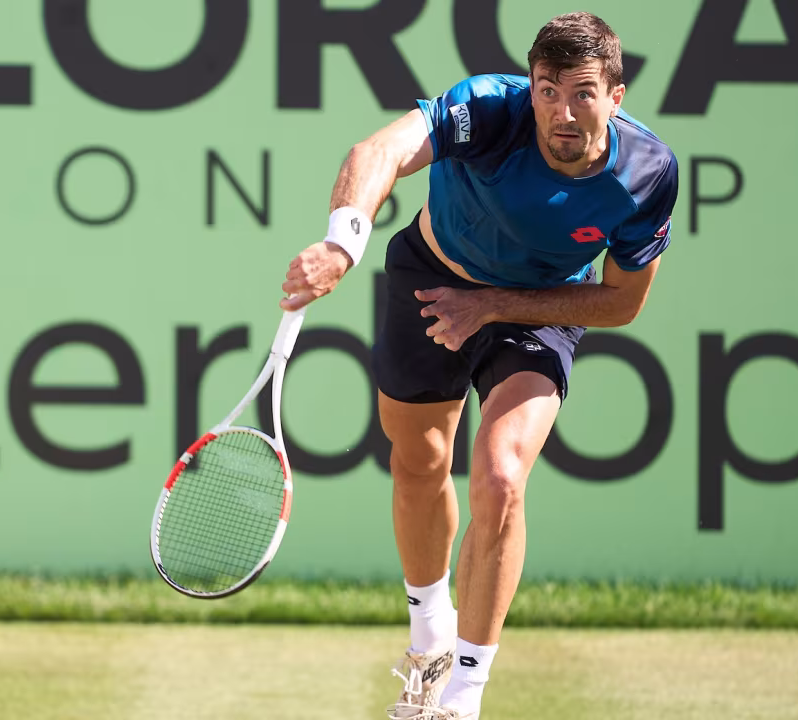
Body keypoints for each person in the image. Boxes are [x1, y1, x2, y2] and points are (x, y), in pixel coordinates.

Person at [279, 11, 679, 720]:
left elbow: (621, 303)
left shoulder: (647, 172)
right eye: (548, 90)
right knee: (419, 461)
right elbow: (379, 151)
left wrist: (493, 305)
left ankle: (463, 694)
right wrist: (343, 243)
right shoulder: (491, 109)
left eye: (582, 93)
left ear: (616, 96)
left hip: (539, 308)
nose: (561, 111)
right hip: (432, 281)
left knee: (500, 476)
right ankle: (429, 636)